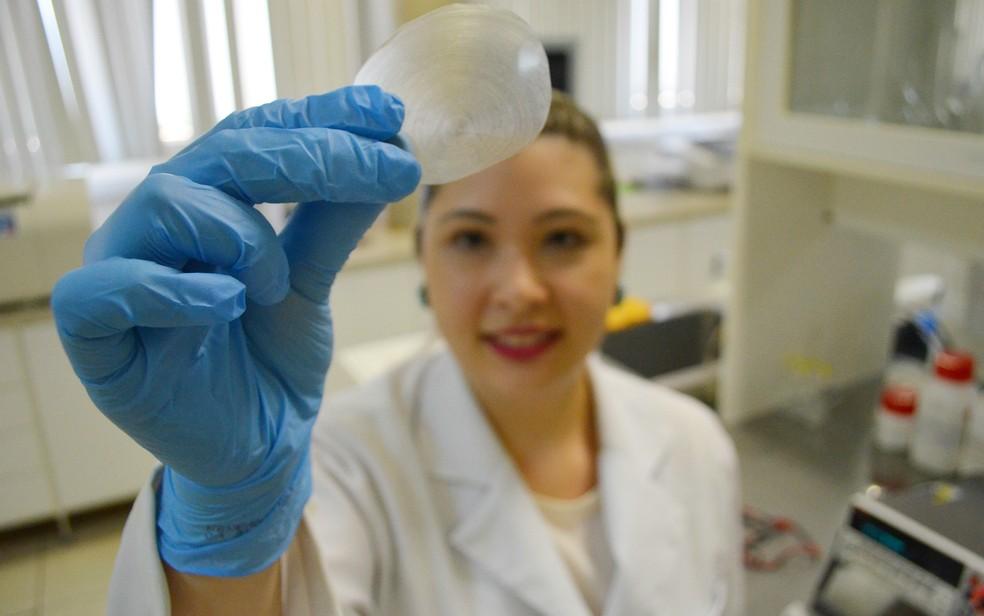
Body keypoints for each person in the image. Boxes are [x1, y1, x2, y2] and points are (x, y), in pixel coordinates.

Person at [51, 85, 743, 616]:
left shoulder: (695, 443)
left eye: (563, 238)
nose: (520, 290)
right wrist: (230, 520)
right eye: (471, 240)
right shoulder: (343, 464)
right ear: (425, 266)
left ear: (618, 254)